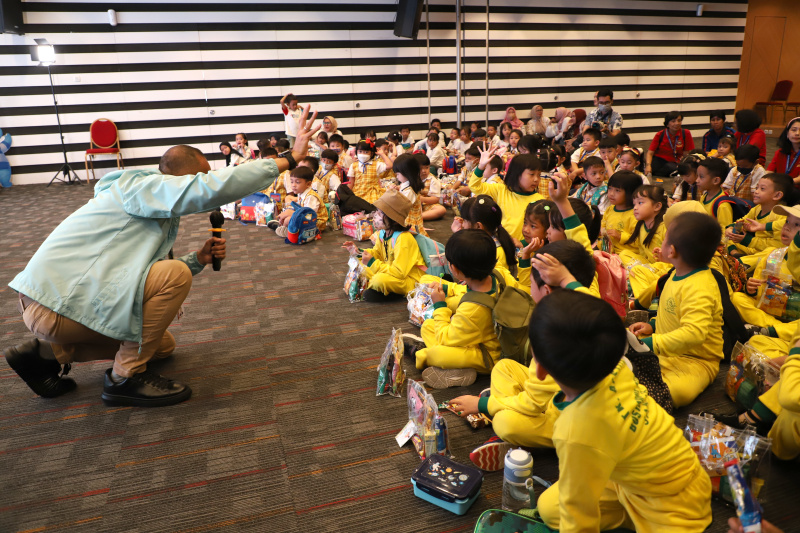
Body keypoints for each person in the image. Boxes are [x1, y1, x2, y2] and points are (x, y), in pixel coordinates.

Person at [3, 108, 320, 406]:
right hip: (55, 305)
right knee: (173, 277)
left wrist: (197, 258)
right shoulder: (144, 187)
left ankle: (45, 355)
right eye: (197, 180)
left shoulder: (142, 201)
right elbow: (212, 188)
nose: (200, 189)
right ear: (182, 178)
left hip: (60, 303)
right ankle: (124, 379)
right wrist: (289, 158)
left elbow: (133, 275)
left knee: (162, 345)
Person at [533, 291, 712, 532]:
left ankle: (638, 519)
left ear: (541, 369)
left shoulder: (574, 432)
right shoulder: (615, 367)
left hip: (676, 504)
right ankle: (632, 516)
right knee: (549, 508)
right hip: (631, 481)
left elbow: (578, 520)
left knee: (565, 510)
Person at [448, 240, 597, 462]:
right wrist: (565, 277)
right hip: (559, 394)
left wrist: (482, 405)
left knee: (504, 422)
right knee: (504, 367)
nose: (528, 289)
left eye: (533, 285)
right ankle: (510, 419)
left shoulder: (552, 337)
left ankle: (520, 438)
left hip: (572, 420)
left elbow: (533, 403)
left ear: (546, 290)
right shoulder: (591, 307)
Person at [629, 211, 724, 407]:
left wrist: (651, 342)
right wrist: (653, 326)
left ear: (671, 251)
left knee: (675, 392)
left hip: (696, 361)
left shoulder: (700, 287)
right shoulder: (676, 273)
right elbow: (672, 312)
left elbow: (694, 334)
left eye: (664, 238)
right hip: (664, 351)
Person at [410, 230, 525, 388]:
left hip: (490, 355)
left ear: (455, 269)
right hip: (497, 337)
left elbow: (445, 338)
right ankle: (455, 368)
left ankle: (427, 358)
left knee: (436, 353)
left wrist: (440, 305)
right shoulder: (500, 274)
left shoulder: (473, 310)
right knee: (429, 327)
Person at [729, 204, 800, 342]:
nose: (787, 227)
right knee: (737, 298)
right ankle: (775, 330)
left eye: (796, 224)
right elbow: (759, 291)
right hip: (769, 312)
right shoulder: (772, 254)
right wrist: (750, 289)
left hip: (796, 318)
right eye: (787, 221)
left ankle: (770, 331)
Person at [342, 190, 424, 302]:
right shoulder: (383, 233)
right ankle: (381, 290)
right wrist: (359, 252)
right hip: (390, 271)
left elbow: (400, 273)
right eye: (376, 211)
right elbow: (377, 253)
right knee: (361, 268)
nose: (375, 215)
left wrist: (372, 263)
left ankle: (390, 292)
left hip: (409, 279)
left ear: (392, 218)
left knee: (379, 280)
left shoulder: (404, 238)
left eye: (380, 213)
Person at [469, 145, 544, 241]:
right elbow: (475, 187)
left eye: (539, 175)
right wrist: (481, 166)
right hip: (502, 243)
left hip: (525, 249)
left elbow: (541, 232)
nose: (536, 179)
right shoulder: (501, 190)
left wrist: (523, 244)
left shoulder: (539, 200)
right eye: (532, 174)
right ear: (516, 174)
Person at [725, 173, 791, 261]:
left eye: (762, 189)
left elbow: (779, 245)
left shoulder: (781, 215)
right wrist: (731, 230)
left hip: (766, 253)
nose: (756, 191)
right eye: (756, 188)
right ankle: (736, 254)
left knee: (771, 252)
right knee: (724, 237)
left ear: (777, 195)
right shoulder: (757, 209)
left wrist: (749, 240)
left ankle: (739, 262)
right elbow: (741, 222)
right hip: (753, 248)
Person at [452, 195, 518, 276]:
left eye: (465, 221)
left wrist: (458, 236)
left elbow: (466, 273)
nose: (463, 225)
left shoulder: (492, 252)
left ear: (478, 226)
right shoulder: (492, 239)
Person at [269, 165, 327, 237]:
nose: (293, 185)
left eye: (297, 182)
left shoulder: (311, 197)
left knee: (289, 219)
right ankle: (283, 227)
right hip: (308, 218)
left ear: (308, 184)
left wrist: (292, 213)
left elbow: (309, 215)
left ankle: (287, 231)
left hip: (316, 222)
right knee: (288, 213)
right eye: (292, 182)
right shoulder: (301, 193)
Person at [602, 170, 643, 258]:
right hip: (609, 249)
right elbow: (603, 225)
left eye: (617, 190)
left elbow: (639, 241)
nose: (611, 194)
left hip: (627, 253)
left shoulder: (635, 215)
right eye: (610, 188)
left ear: (631, 193)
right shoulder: (610, 209)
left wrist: (620, 236)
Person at [645, 111, 695, 178]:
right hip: (660, 160)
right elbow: (650, 153)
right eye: (673, 121)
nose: (677, 123)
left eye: (679, 120)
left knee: (673, 168)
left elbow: (687, 153)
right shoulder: (660, 134)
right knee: (653, 166)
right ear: (667, 124)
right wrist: (648, 165)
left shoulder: (686, 133)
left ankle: (672, 172)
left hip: (676, 161)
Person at [392, 153, 426, 236]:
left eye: (398, 174)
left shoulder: (409, 191)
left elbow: (400, 206)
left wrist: (393, 193)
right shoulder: (407, 184)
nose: (397, 177)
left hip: (409, 224)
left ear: (407, 173)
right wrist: (397, 189)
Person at [697, 157, 734, 229]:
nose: (697, 180)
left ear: (716, 180)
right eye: (697, 176)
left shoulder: (723, 206)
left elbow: (726, 233)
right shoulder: (704, 196)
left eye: (701, 177)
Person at [346, 139, 386, 204]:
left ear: (372, 153)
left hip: (373, 194)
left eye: (366, 152)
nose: (362, 154)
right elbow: (351, 183)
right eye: (360, 151)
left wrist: (382, 154)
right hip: (357, 193)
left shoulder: (376, 164)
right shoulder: (353, 165)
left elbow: (389, 165)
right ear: (356, 152)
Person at [767, 117, 800, 183]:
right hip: (781, 187)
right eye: (793, 130)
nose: (797, 133)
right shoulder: (780, 152)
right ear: (787, 134)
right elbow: (769, 171)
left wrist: (784, 183)